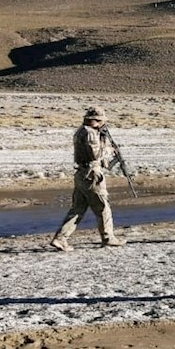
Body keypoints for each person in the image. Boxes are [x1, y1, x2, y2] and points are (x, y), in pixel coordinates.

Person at [49, 106, 127, 251]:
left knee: (78, 209)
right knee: (103, 207)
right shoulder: (90, 133)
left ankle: (61, 238)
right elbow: (95, 155)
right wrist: (109, 149)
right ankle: (108, 238)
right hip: (91, 173)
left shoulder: (81, 131)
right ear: (96, 121)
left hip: (82, 173)